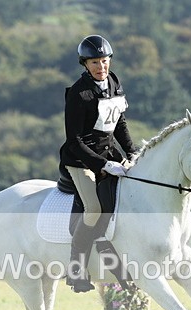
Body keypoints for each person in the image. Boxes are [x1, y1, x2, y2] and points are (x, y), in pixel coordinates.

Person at [58, 34, 138, 293]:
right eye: (94, 62)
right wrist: (102, 165)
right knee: (93, 209)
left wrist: (132, 152)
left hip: (109, 153)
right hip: (81, 159)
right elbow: (74, 141)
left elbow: (119, 123)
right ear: (85, 64)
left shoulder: (114, 82)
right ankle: (77, 268)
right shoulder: (78, 93)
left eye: (104, 61)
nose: (101, 67)